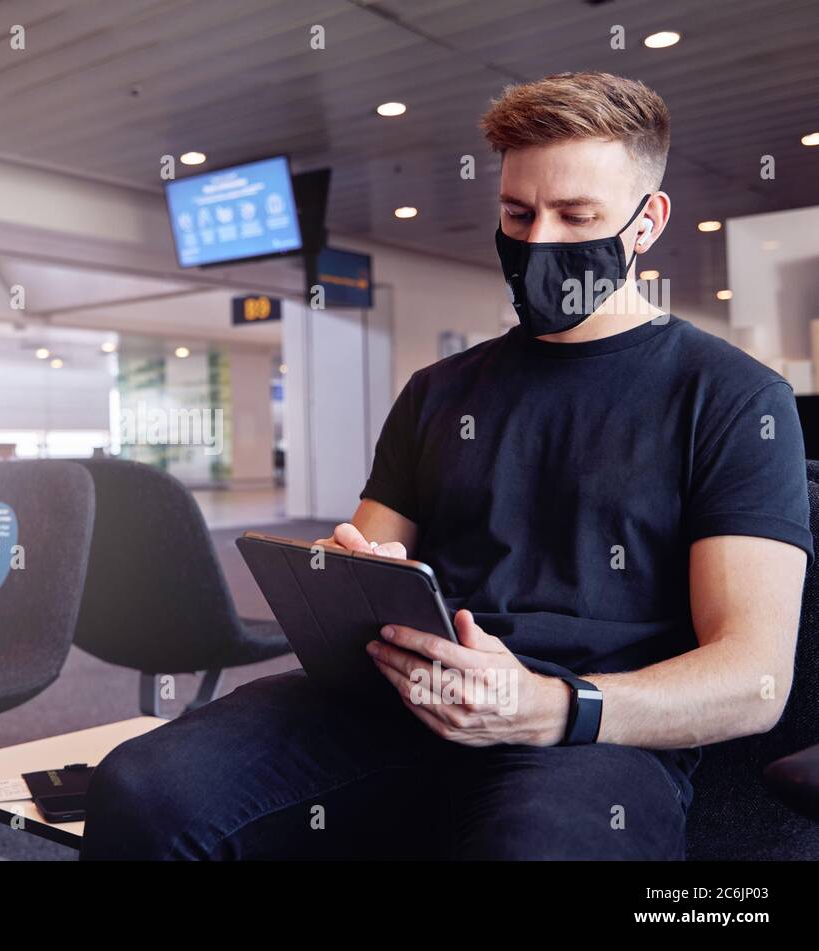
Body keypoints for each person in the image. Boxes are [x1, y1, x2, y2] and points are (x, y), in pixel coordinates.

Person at [79, 72, 813, 860]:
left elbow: (753, 678)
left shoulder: (733, 398)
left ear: (647, 221)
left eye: (576, 216)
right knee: (140, 790)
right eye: (517, 213)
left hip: (585, 736)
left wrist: (552, 705)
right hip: (403, 699)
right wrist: (351, 574)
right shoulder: (438, 391)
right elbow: (364, 557)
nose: (538, 243)